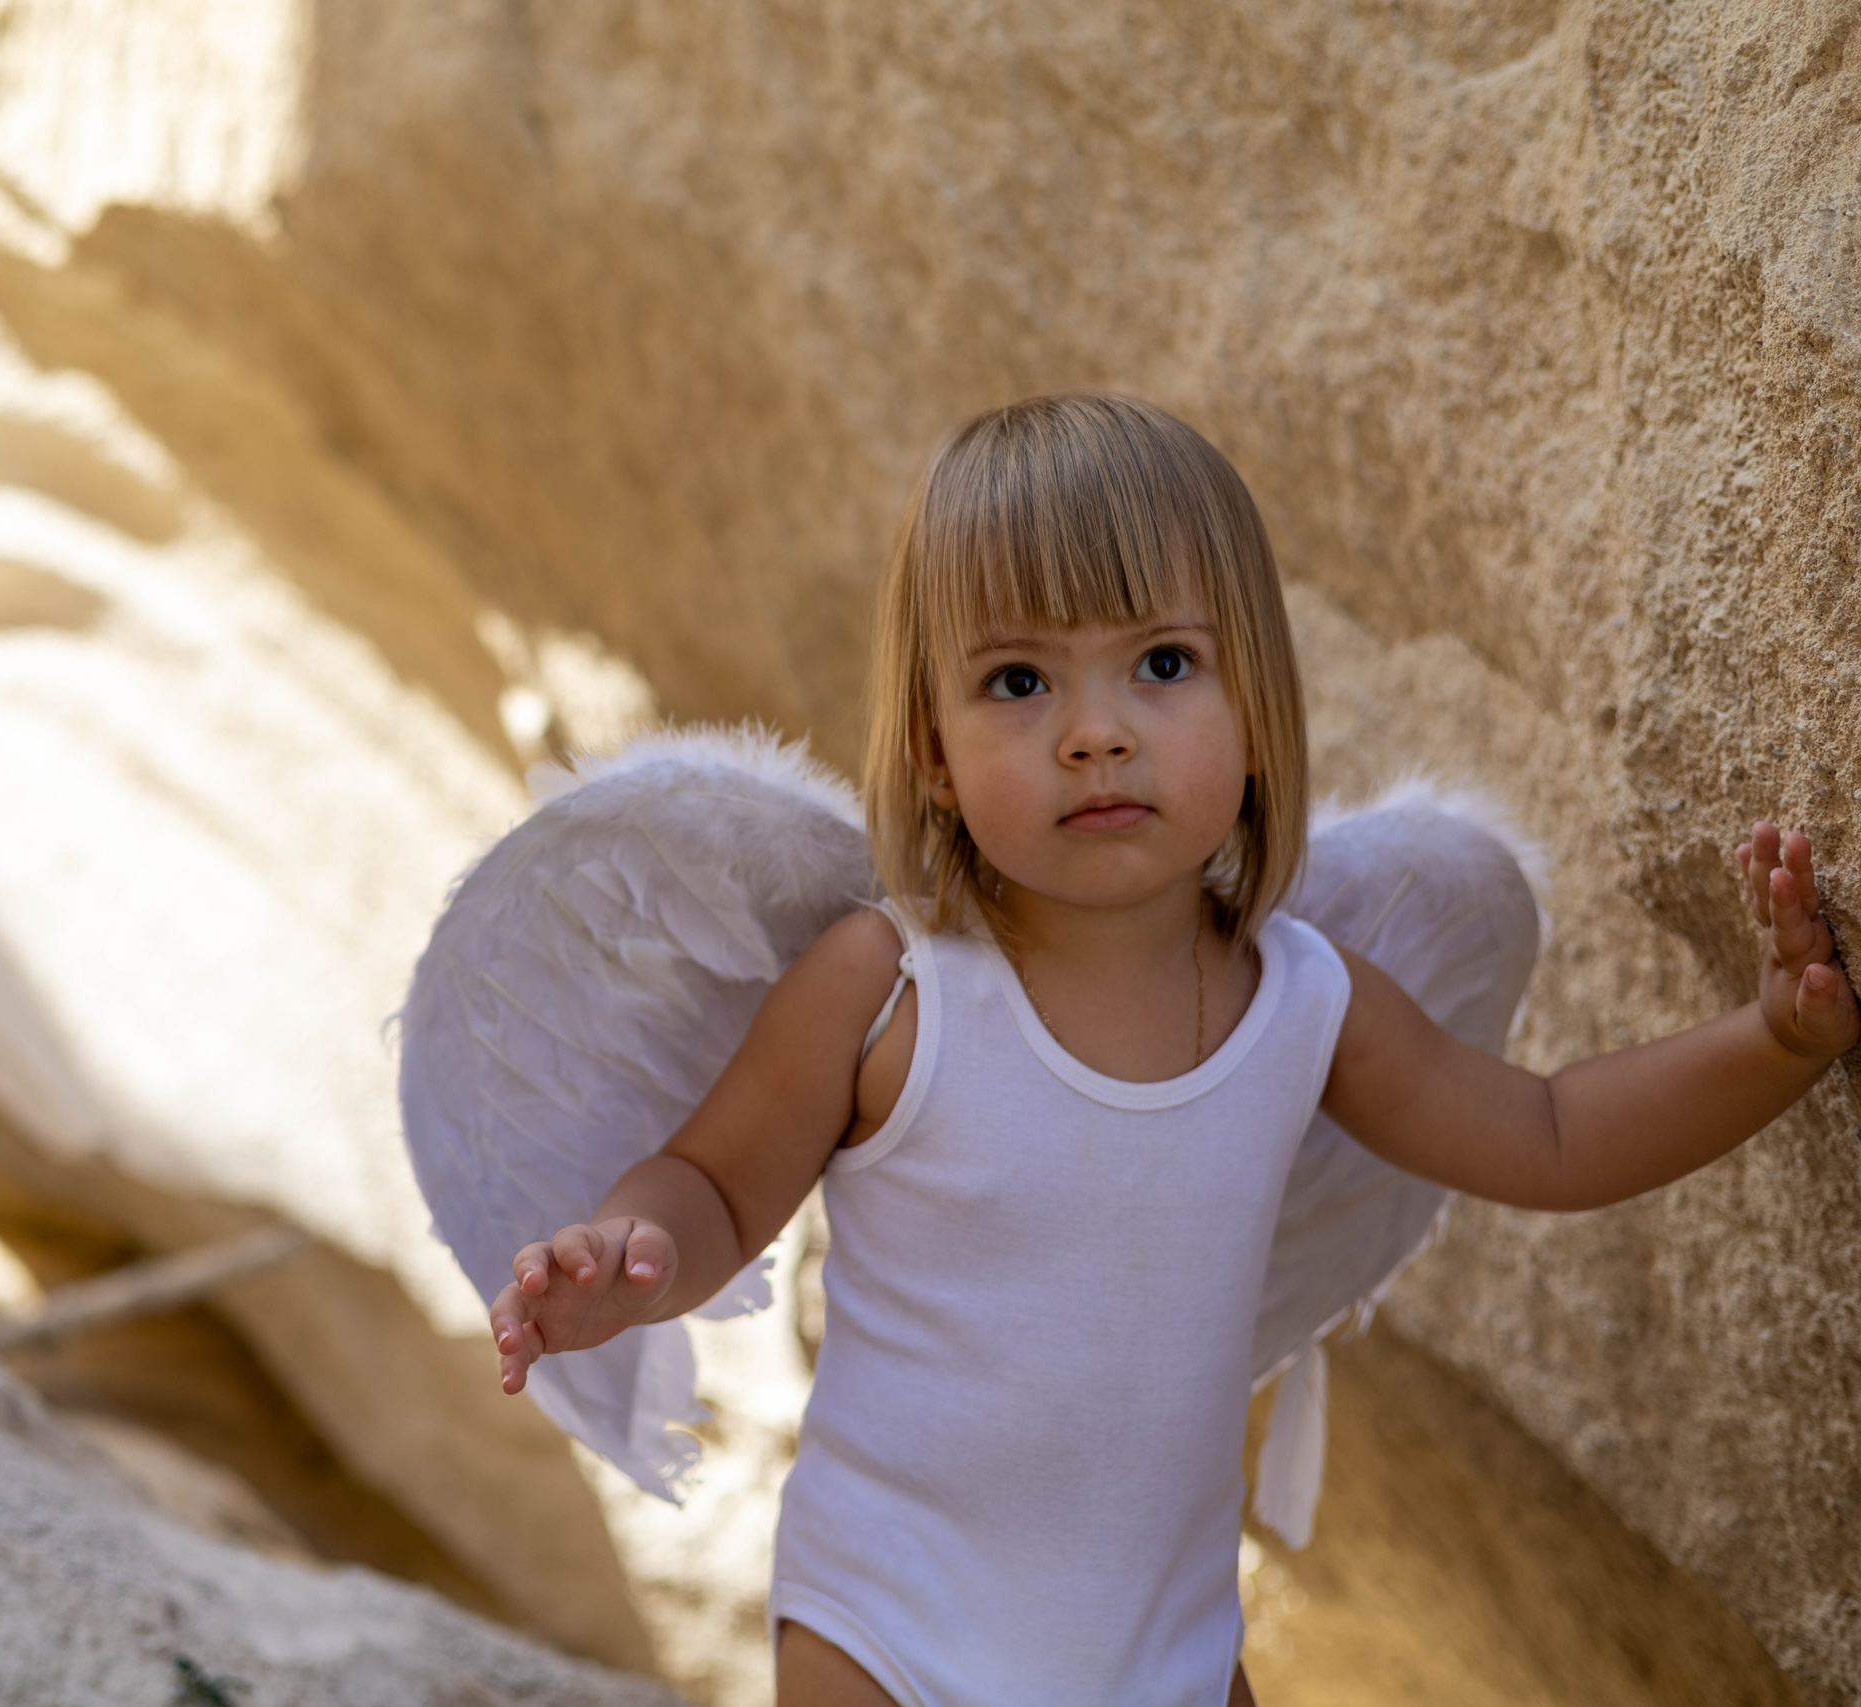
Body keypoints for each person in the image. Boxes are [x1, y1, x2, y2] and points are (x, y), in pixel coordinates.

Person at [484, 396, 1857, 1707]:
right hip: (883, 1619)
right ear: (935, 753)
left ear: (1255, 714)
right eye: (1018, 680)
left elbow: (1550, 1136)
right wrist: (630, 1255)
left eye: (1162, 664)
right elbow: (716, 1189)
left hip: (1169, 1653)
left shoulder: (1303, 1002)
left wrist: (1775, 1039)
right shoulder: (891, 987)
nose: (1095, 731)